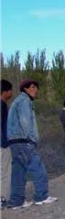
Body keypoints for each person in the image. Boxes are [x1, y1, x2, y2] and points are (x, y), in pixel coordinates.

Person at [7, 79, 57, 209]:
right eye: (32, 87)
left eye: (36, 87)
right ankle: (42, 196)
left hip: (14, 142)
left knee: (19, 171)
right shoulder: (24, 101)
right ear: (25, 89)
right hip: (24, 141)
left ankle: (17, 201)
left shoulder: (17, 101)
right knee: (37, 167)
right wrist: (32, 138)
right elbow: (25, 122)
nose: (36, 90)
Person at [1, 80, 14, 208]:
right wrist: (5, 142)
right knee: (5, 171)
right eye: (10, 90)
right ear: (5, 91)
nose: (11, 93)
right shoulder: (2, 105)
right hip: (2, 145)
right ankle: (3, 199)